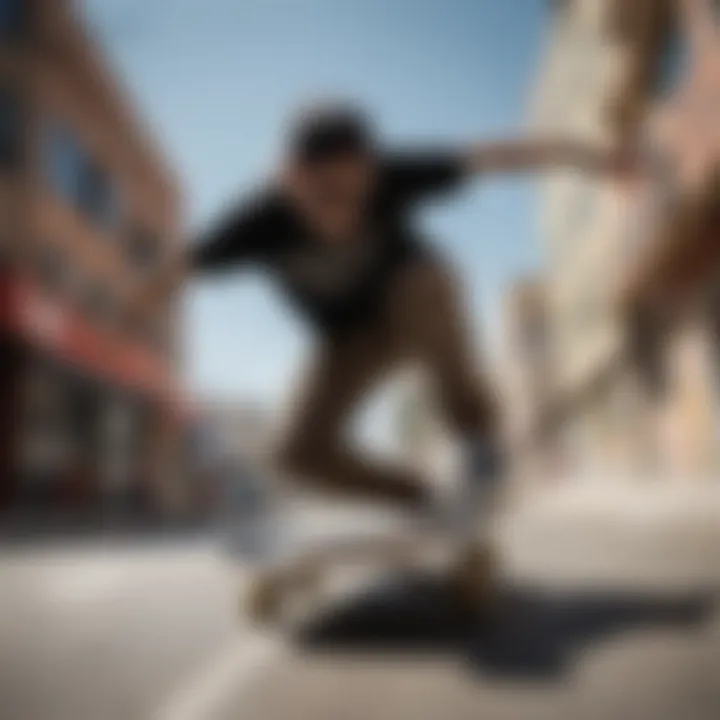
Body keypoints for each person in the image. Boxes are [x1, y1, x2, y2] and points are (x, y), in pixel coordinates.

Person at [134, 103, 638, 531]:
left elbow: (499, 155)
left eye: (356, 194)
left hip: (409, 309)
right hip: (345, 344)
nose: (343, 212)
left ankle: (480, 442)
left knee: (426, 277)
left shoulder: (392, 175)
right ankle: (418, 497)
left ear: (371, 172)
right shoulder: (254, 220)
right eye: (324, 195)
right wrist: (129, 309)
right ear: (290, 178)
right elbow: (178, 266)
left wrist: (593, 158)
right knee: (294, 452)